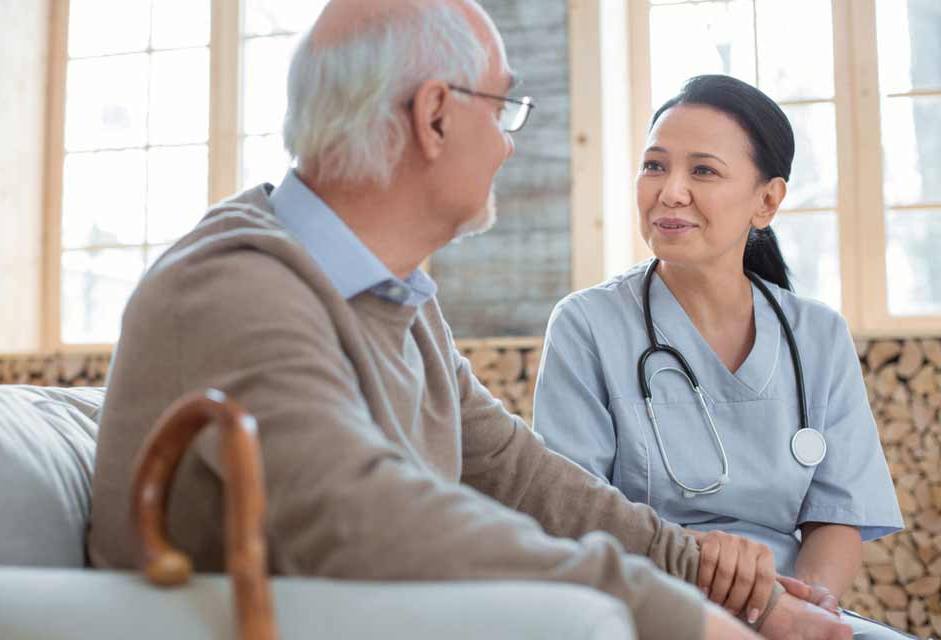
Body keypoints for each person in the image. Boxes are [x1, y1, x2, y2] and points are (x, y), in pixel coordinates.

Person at [89, 2, 848, 637]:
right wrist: (678, 614)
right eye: (504, 107)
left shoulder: (397, 300)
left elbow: (521, 477)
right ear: (435, 117)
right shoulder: (233, 288)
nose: (511, 143)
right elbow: (366, 519)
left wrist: (707, 577)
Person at [533, 74, 908, 639]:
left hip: (793, 605)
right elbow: (571, 515)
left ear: (768, 200)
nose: (670, 191)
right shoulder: (587, 325)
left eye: (702, 171)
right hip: (647, 604)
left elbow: (837, 516)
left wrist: (807, 611)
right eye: (655, 165)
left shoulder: (819, 335)